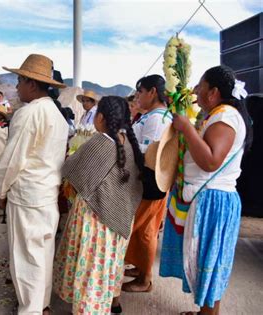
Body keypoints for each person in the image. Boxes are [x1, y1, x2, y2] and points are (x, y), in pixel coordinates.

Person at [160, 65, 253, 315]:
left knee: (210, 263)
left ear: (213, 92)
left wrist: (188, 129)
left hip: (214, 202)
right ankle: (205, 312)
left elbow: (211, 161)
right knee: (205, 262)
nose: (196, 92)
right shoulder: (217, 115)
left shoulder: (226, 117)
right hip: (210, 199)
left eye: (200, 87)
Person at [54, 96, 143, 315]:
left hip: (94, 219)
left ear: (101, 117)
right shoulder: (129, 142)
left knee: (90, 268)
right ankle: (110, 302)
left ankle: (89, 309)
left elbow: (72, 170)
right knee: (107, 265)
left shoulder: (100, 142)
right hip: (120, 217)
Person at [0, 54, 69, 314]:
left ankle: (31, 310)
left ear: (32, 84)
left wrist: (0, 191)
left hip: (27, 197)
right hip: (47, 194)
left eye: (19, 81)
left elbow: (11, 160)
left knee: (26, 259)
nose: (16, 86)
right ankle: (42, 305)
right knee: (43, 255)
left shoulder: (28, 113)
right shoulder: (57, 115)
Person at [120, 74, 173, 293]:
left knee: (145, 231)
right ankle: (142, 269)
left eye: (140, 91)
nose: (138, 96)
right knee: (144, 229)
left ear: (152, 92)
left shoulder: (157, 118)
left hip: (149, 182)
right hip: (148, 181)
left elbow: (151, 153)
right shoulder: (152, 115)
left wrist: (123, 142)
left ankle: (145, 278)